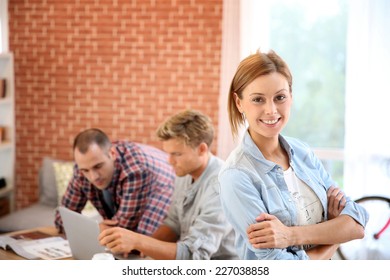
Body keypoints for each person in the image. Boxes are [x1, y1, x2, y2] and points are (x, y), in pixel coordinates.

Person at [218, 49, 369, 260]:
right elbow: (279, 265)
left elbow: (357, 223)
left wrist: (289, 235)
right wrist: (333, 232)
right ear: (239, 102)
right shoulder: (236, 176)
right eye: (258, 100)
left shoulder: (302, 152)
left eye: (279, 97)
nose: (271, 110)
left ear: (291, 96)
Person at [98, 109, 238, 260]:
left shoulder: (222, 185)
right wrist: (140, 249)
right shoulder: (185, 172)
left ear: (202, 149)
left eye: (177, 154)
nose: (169, 161)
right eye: (169, 153)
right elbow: (174, 223)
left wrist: (138, 241)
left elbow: (194, 255)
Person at [54, 128, 175, 236]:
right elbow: (62, 220)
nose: (93, 176)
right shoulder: (82, 168)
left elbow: (123, 228)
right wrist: (96, 228)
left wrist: (91, 229)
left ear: (112, 154)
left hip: (167, 185)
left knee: (141, 242)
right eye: (85, 170)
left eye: (98, 166)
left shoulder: (136, 169)